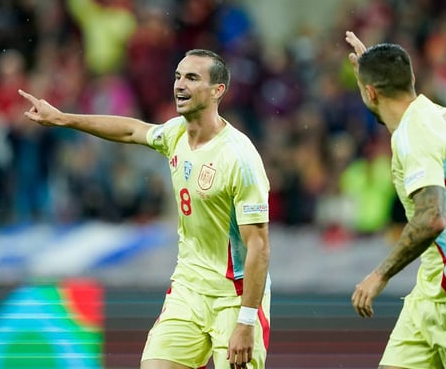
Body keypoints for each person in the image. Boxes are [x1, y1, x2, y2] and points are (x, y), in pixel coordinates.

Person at [18, 49, 271, 369]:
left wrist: (246, 321)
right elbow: (131, 130)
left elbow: (258, 245)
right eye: (178, 76)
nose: (180, 85)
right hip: (188, 289)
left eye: (192, 78)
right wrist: (64, 118)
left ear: (217, 91)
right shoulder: (176, 133)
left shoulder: (239, 158)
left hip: (234, 297)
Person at [345, 30, 446, 368]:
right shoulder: (429, 112)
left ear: (370, 93)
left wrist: (380, 275)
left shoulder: (413, 135)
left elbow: (432, 218)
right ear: (411, 79)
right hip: (429, 290)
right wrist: (370, 71)